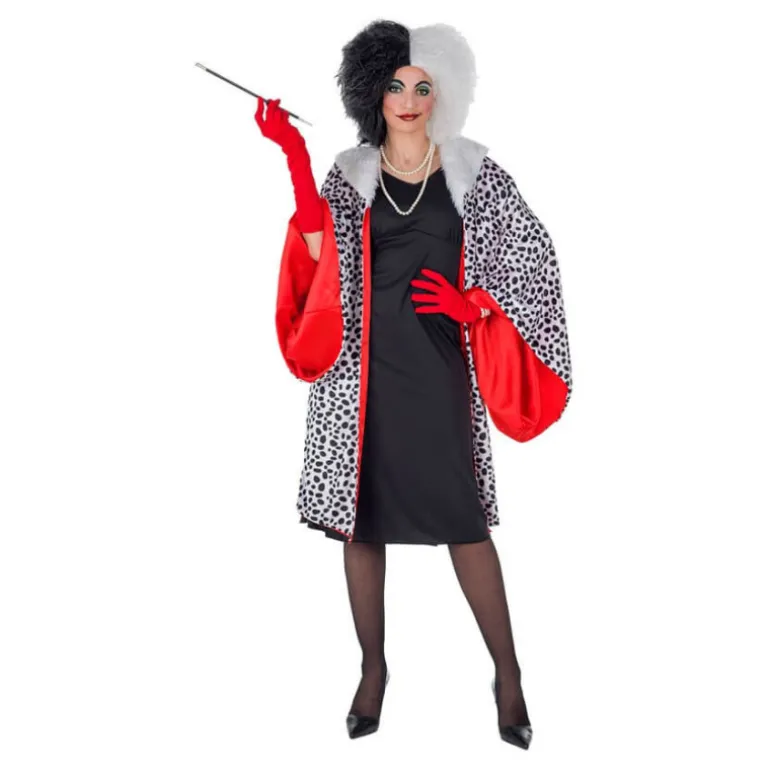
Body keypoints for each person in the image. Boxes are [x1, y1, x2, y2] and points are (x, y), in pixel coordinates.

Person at [254, 19, 572, 748]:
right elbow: (318, 248)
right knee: (359, 524)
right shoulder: (351, 175)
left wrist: (475, 303)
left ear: (441, 94)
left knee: (466, 525)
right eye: (394, 86)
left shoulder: (471, 171)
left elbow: (533, 256)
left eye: (421, 87)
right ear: (373, 92)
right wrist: (295, 156)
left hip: (437, 373)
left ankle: (509, 675)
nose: (406, 100)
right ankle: (373, 671)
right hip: (361, 379)